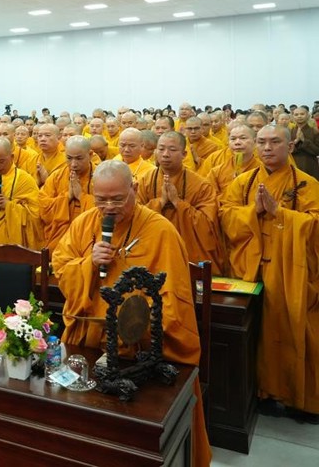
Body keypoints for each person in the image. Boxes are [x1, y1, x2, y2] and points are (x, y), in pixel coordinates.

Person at [52, 160, 210, 466]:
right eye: (101, 200)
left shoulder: (160, 231)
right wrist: (88, 264)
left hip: (138, 351)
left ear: (134, 189)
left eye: (117, 199)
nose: (109, 208)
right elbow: (61, 268)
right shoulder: (84, 223)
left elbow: (173, 300)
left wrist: (133, 326)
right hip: (89, 341)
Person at [220, 125, 319, 423]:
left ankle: (300, 399)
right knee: (257, 333)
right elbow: (225, 215)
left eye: (275, 142)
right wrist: (253, 212)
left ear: (290, 147)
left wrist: (280, 213)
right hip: (251, 269)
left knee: (297, 327)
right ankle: (263, 393)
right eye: (262, 142)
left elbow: (315, 226)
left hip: (292, 271)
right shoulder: (244, 182)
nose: (267, 148)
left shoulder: (307, 184)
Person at [136, 131, 223, 274]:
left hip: (189, 250)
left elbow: (208, 225)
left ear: (184, 154)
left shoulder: (200, 185)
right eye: (161, 149)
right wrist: (160, 202)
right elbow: (134, 217)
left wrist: (177, 202)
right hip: (154, 246)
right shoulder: (145, 181)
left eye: (172, 149)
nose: (165, 154)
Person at [39, 136, 96, 249]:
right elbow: (43, 209)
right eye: (69, 158)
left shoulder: (101, 177)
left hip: (90, 238)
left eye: (79, 158)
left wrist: (81, 196)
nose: (73, 164)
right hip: (59, 239)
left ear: (90, 155)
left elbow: (107, 211)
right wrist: (67, 196)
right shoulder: (56, 177)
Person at [205, 124, 262, 196]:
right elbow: (208, 197)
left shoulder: (262, 170)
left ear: (255, 142)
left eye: (243, 138)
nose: (237, 142)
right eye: (233, 139)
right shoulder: (216, 172)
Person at [290, 106, 319, 180]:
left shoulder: (314, 131)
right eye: (296, 114)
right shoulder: (290, 131)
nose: (299, 116)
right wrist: (296, 141)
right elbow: (286, 150)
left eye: (302, 114)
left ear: (308, 115)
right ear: (293, 116)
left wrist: (304, 140)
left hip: (310, 164)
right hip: (294, 163)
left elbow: (317, 151)